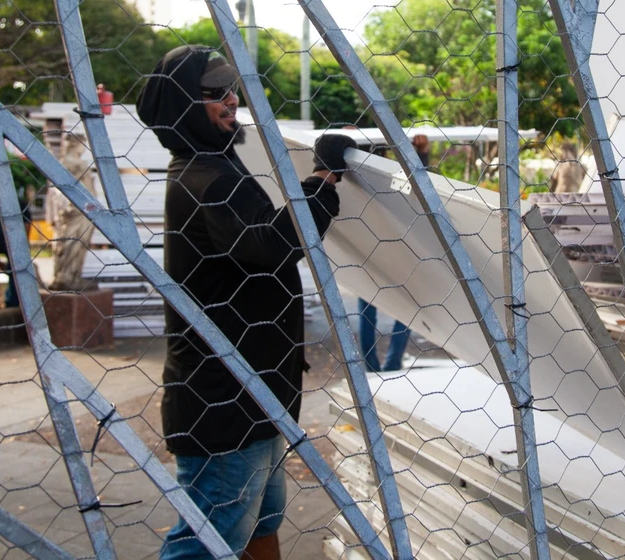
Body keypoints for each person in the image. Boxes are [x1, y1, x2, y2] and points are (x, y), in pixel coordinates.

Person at [137, 45, 355, 560]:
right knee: (205, 545)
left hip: (254, 397)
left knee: (258, 523)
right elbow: (272, 242)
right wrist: (323, 179)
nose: (231, 99)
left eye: (231, 88)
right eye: (214, 92)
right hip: (227, 402)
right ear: (184, 106)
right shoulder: (204, 178)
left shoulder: (215, 166)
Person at [357, 133, 429, 372]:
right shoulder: (391, 177)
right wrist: (420, 155)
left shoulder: (362, 177)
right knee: (402, 308)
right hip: (396, 250)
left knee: (373, 309)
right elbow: (419, 184)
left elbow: (416, 184)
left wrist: (420, 154)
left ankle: (376, 363)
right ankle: (391, 361)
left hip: (375, 250)